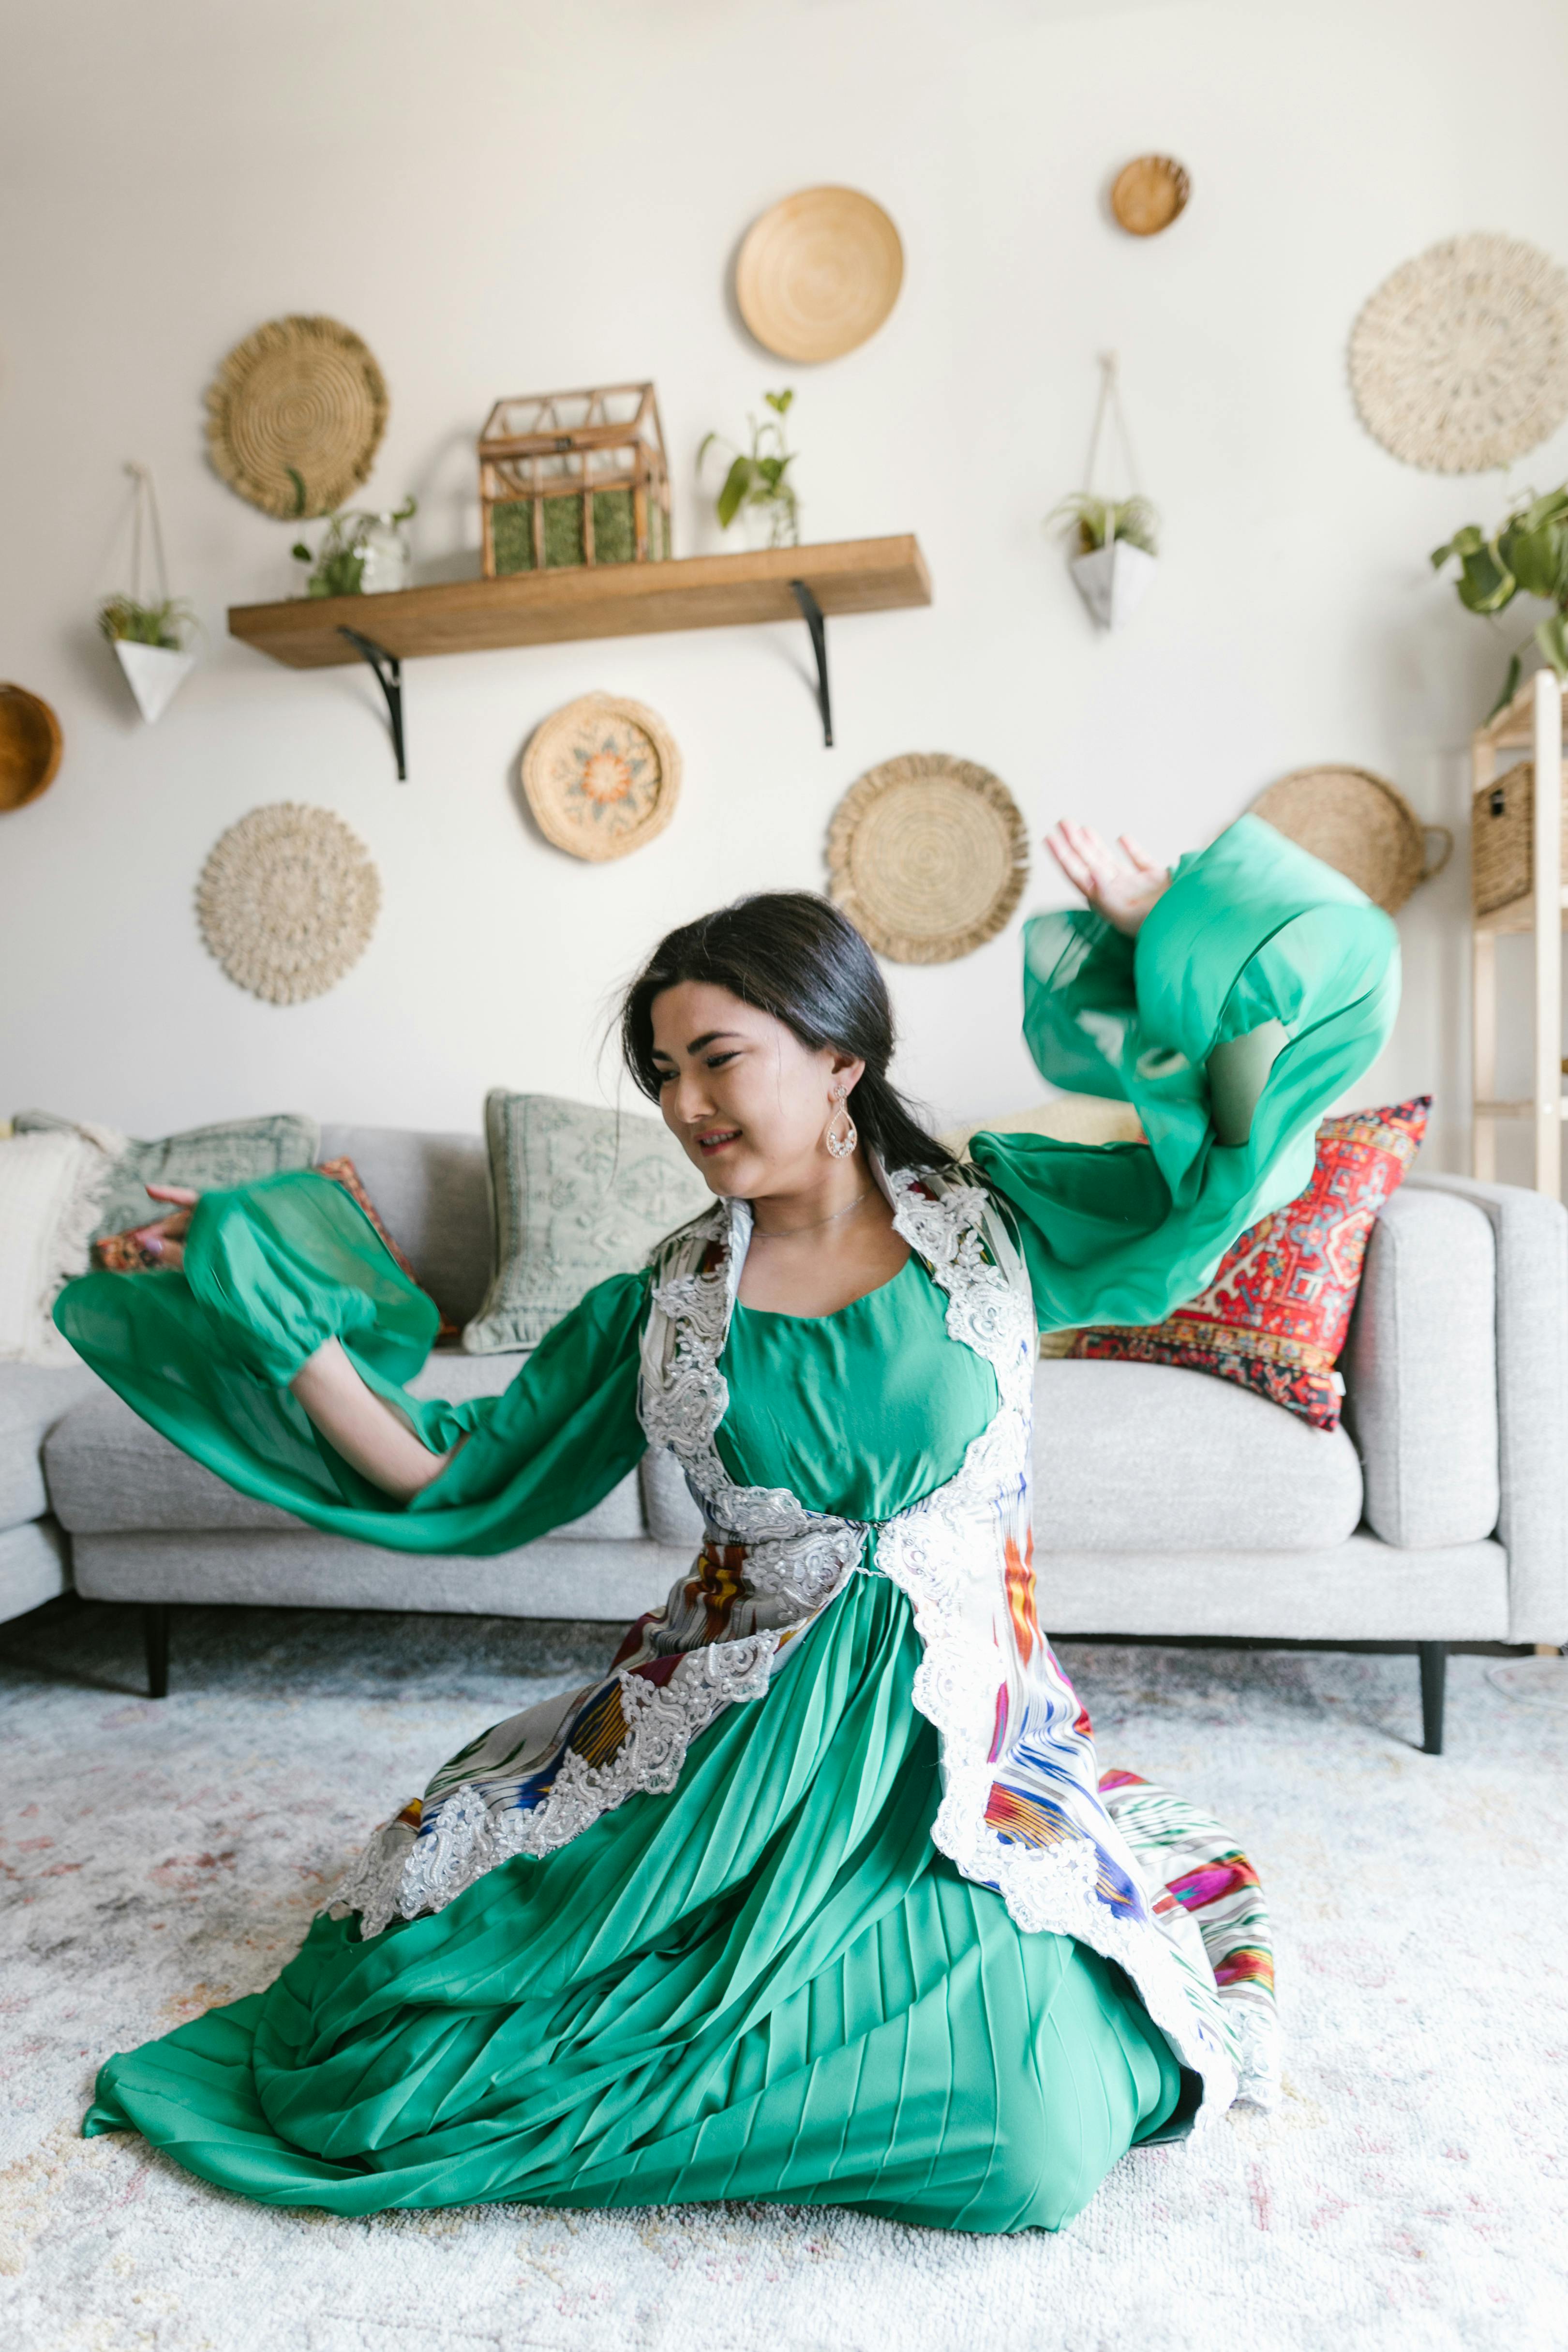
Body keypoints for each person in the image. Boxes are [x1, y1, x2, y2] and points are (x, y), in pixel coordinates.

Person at [56, 814, 1397, 2230]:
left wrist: (1162, 932)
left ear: (838, 1060)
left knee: (1028, 2142)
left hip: (953, 1756)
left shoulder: (1003, 1217)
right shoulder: (661, 1302)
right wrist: (253, 1293)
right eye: (661, 1072)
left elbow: (1235, 1155)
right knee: (397, 2066)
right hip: (727, 1747)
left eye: (718, 1057)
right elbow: (435, 1472)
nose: (685, 1101)